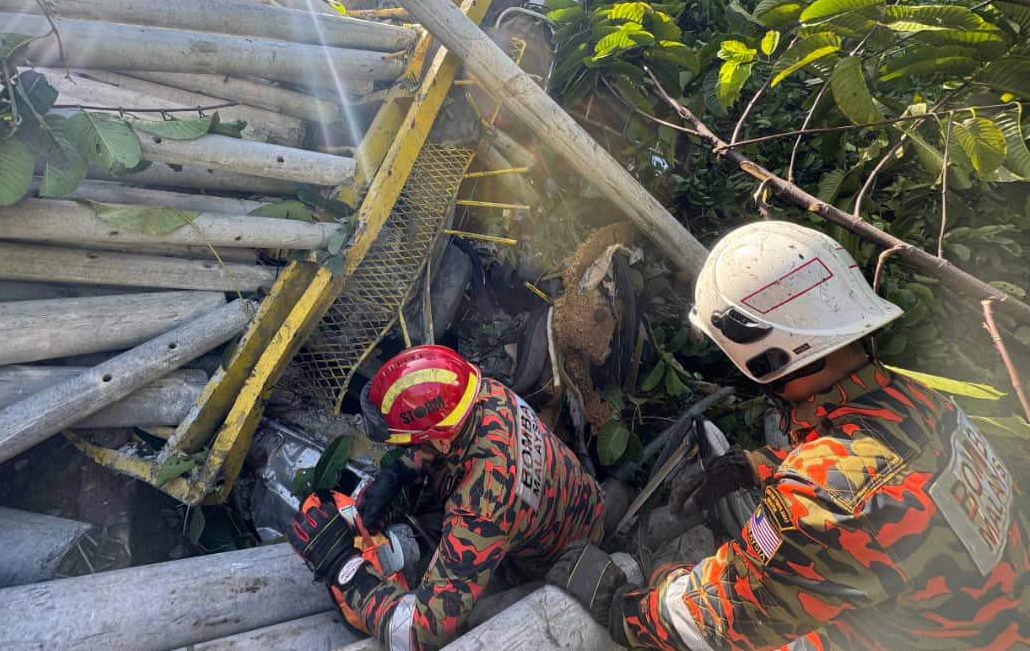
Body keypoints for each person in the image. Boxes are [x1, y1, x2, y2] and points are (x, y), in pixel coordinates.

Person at [549, 220, 1029, 650]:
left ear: (767, 358)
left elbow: (717, 623)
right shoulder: (922, 402)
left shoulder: (820, 501)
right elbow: (879, 488)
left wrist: (627, 603)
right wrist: (758, 467)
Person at [285, 343, 605, 651]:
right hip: (581, 502)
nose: (405, 450)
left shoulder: (479, 507)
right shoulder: (483, 393)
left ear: (437, 443)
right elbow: (449, 442)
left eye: (407, 444)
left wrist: (344, 568)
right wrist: (397, 475)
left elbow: (420, 634)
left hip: (556, 563)